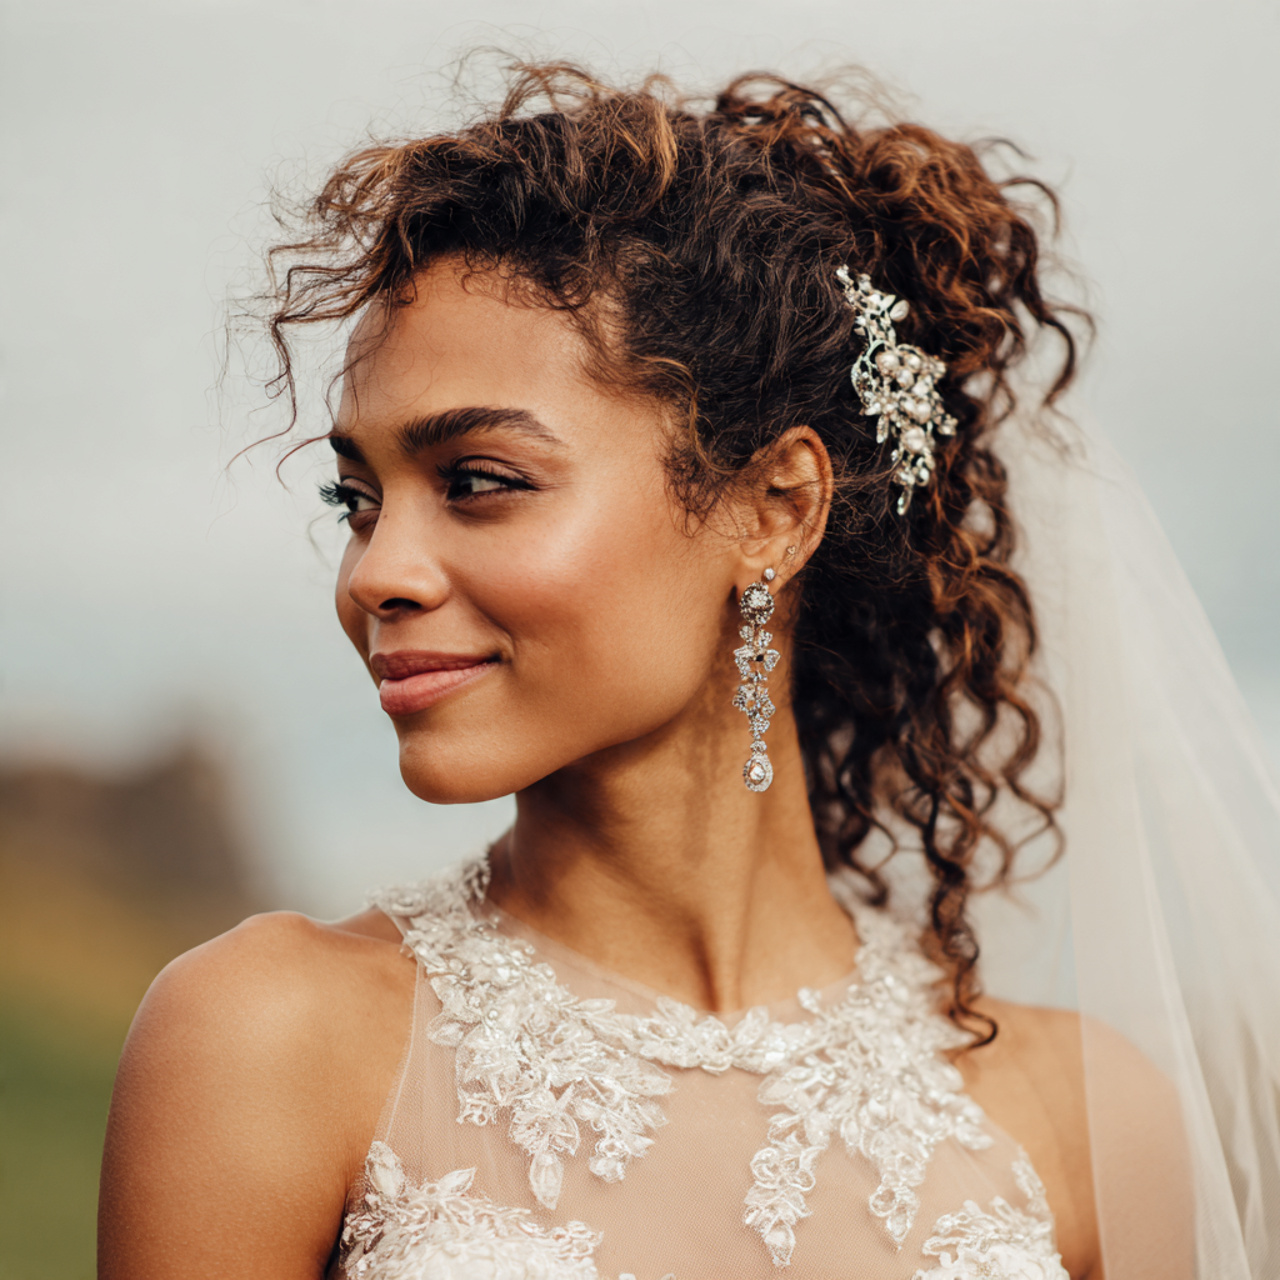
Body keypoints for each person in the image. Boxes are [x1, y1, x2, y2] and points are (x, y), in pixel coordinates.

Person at [97, 64, 1280, 1280]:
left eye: (479, 481)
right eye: (356, 498)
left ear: (773, 509)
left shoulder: (1083, 1125)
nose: (375, 573)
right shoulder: (267, 1041)